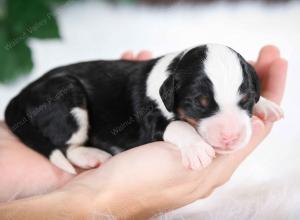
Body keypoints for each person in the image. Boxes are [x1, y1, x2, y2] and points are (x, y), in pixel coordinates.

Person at [0, 45, 287, 219]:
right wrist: (89, 202)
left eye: (244, 101)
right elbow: (160, 127)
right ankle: (68, 147)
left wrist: (255, 103)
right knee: (69, 102)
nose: (230, 132)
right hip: (55, 96)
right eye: (202, 107)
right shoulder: (157, 93)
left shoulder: (186, 83)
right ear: (170, 93)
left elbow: (224, 93)